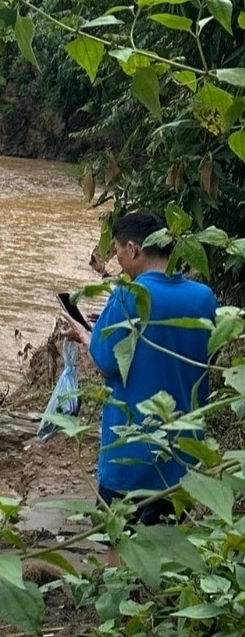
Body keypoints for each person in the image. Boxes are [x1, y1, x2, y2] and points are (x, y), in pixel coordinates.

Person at [58, 210, 217, 537]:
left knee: (119, 539)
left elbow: (105, 363)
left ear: (133, 249)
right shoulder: (204, 298)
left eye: (116, 249)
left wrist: (85, 334)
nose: (116, 258)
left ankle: (121, 591)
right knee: (167, 539)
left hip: (130, 447)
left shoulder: (127, 295)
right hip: (184, 448)